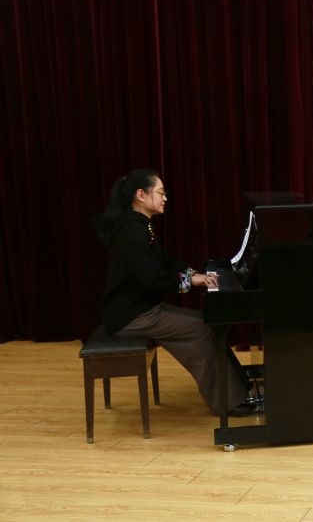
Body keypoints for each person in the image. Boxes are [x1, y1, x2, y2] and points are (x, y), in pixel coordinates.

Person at [92, 169, 256, 417]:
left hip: (143, 309)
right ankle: (228, 402)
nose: (165, 198)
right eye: (160, 192)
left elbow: (166, 262)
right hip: (131, 316)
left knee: (209, 323)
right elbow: (153, 278)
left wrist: (195, 275)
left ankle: (239, 386)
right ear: (141, 195)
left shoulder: (138, 225)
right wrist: (192, 280)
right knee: (201, 329)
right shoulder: (130, 231)